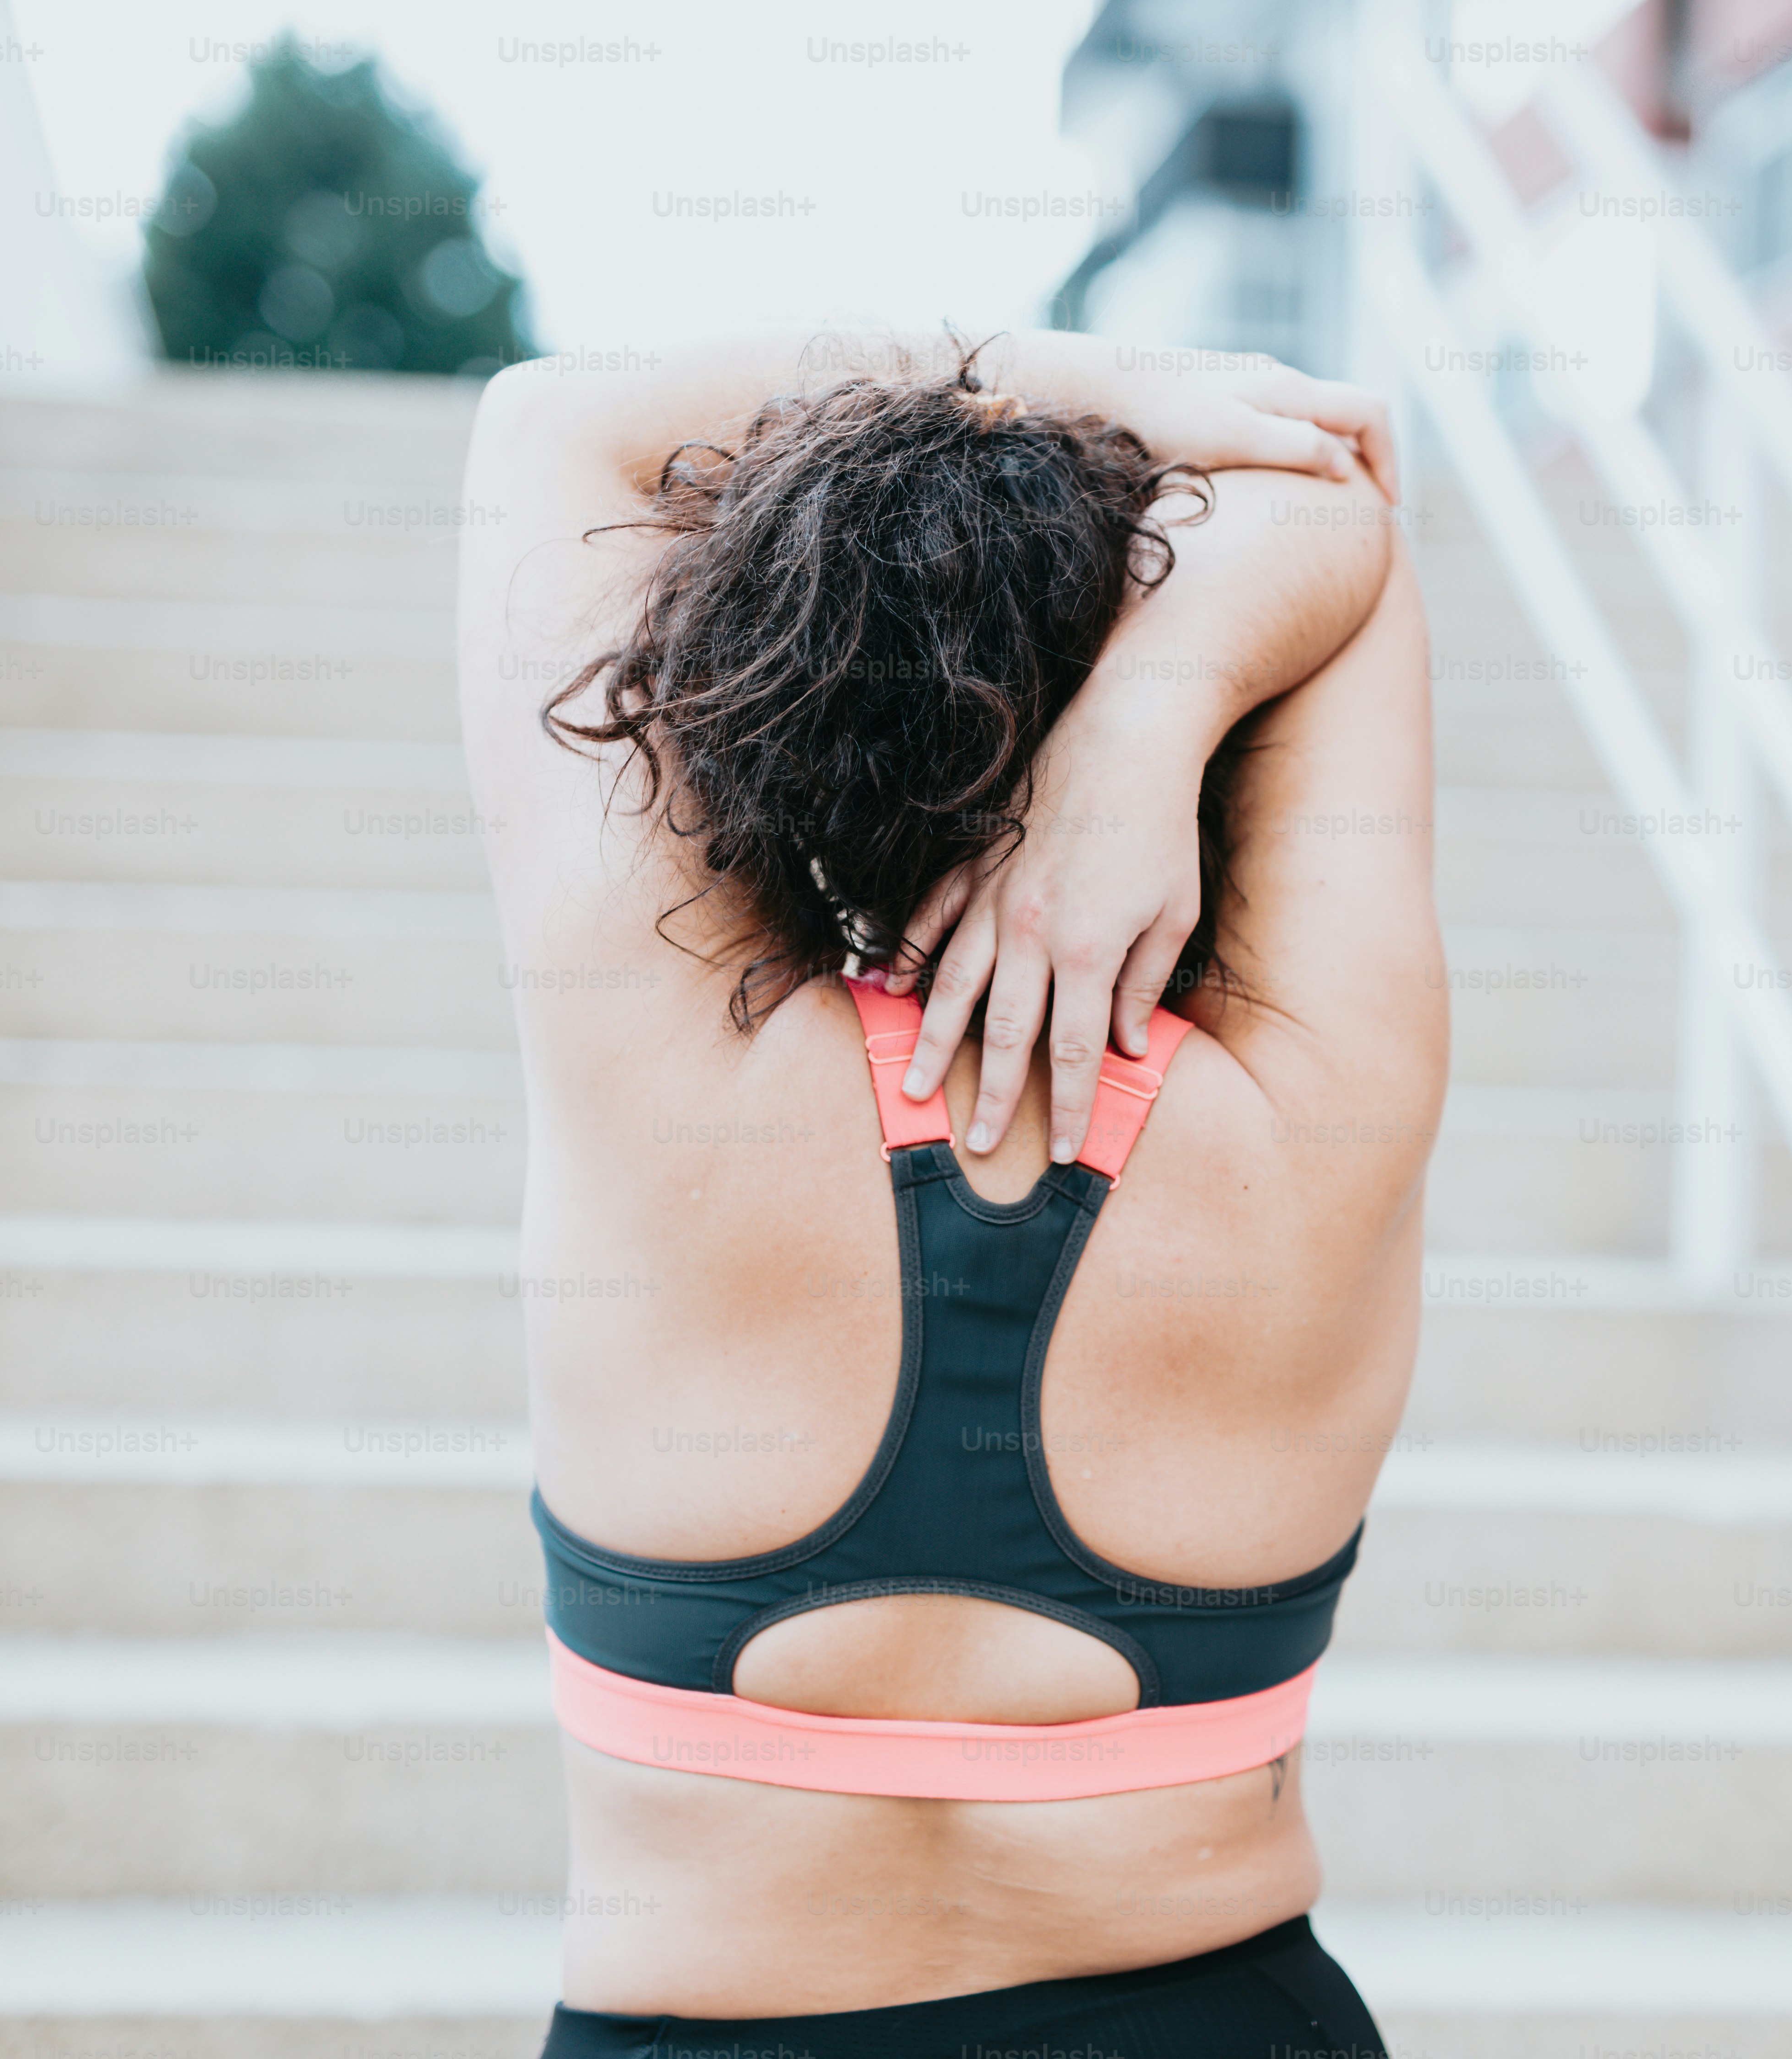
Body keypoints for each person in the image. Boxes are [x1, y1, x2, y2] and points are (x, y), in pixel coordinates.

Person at [455, 331, 1442, 2056]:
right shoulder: (1317, 1116)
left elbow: (550, 420)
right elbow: (1343, 499)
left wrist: (1133, 376)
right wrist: (1147, 721)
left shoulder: (661, 1082)